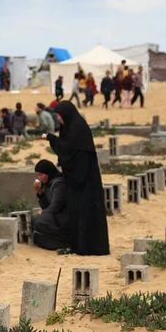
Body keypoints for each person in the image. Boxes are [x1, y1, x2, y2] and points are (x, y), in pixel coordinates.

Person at [46, 102, 109, 256]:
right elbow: (66, 149)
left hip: (86, 181)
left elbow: (72, 151)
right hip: (74, 181)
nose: (59, 119)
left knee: (87, 213)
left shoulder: (79, 129)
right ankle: (75, 246)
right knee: (74, 214)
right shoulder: (68, 128)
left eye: (59, 116)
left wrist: (53, 140)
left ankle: (89, 248)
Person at [30, 160, 69, 251]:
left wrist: (44, 213)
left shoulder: (59, 183)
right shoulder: (47, 184)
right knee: (32, 219)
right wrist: (40, 192)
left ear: (48, 172)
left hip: (64, 218)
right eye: (38, 175)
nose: (39, 177)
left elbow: (56, 206)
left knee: (39, 221)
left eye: (41, 174)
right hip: (55, 217)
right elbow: (46, 206)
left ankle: (64, 242)